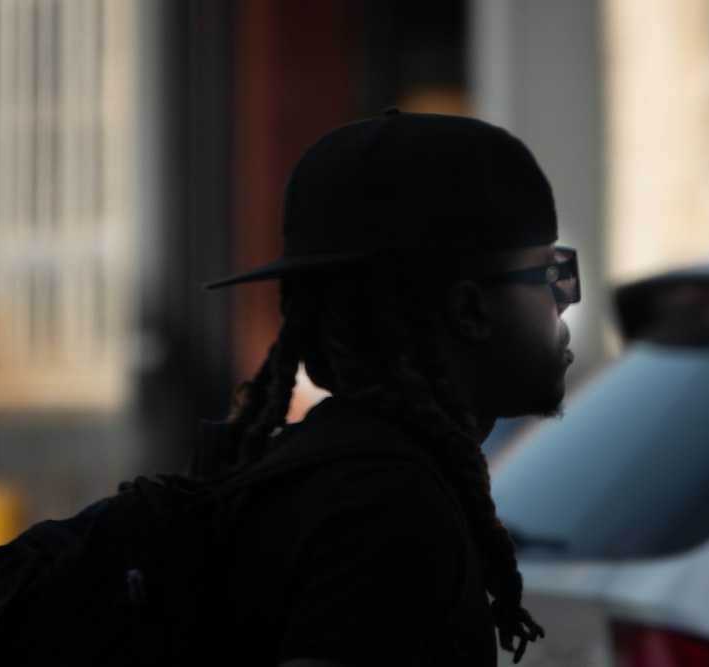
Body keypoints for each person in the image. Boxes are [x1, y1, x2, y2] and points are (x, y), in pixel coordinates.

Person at [201, 108, 580, 666]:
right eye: (551, 275)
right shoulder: (391, 515)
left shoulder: (325, 473)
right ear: (471, 310)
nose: (566, 298)